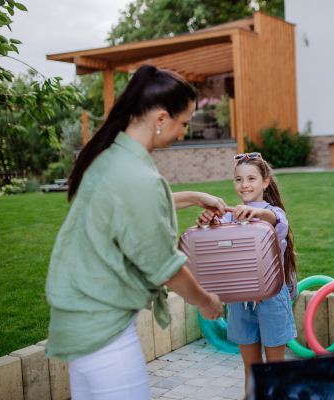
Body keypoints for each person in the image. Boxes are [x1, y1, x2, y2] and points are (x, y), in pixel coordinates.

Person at [45, 65, 227, 400]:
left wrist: (196, 196)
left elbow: (134, 213)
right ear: (160, 119)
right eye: (183, 122)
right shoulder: (137, 178)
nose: (184, 132)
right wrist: (207, 302)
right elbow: (165, 267)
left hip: (77, 327)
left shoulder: (110, 157)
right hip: (105, 337)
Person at [197, 152, 298, 390]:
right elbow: (213, 242)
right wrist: (207, 221)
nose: (244, 185)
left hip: (271, 297)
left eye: (251, 178)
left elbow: (272, 219)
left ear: (265, 181)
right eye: (239, 179)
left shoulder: (273, 213)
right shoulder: (230, 215)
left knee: (275, 369)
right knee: (251, 370)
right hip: (239, 299)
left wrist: (256, 212)